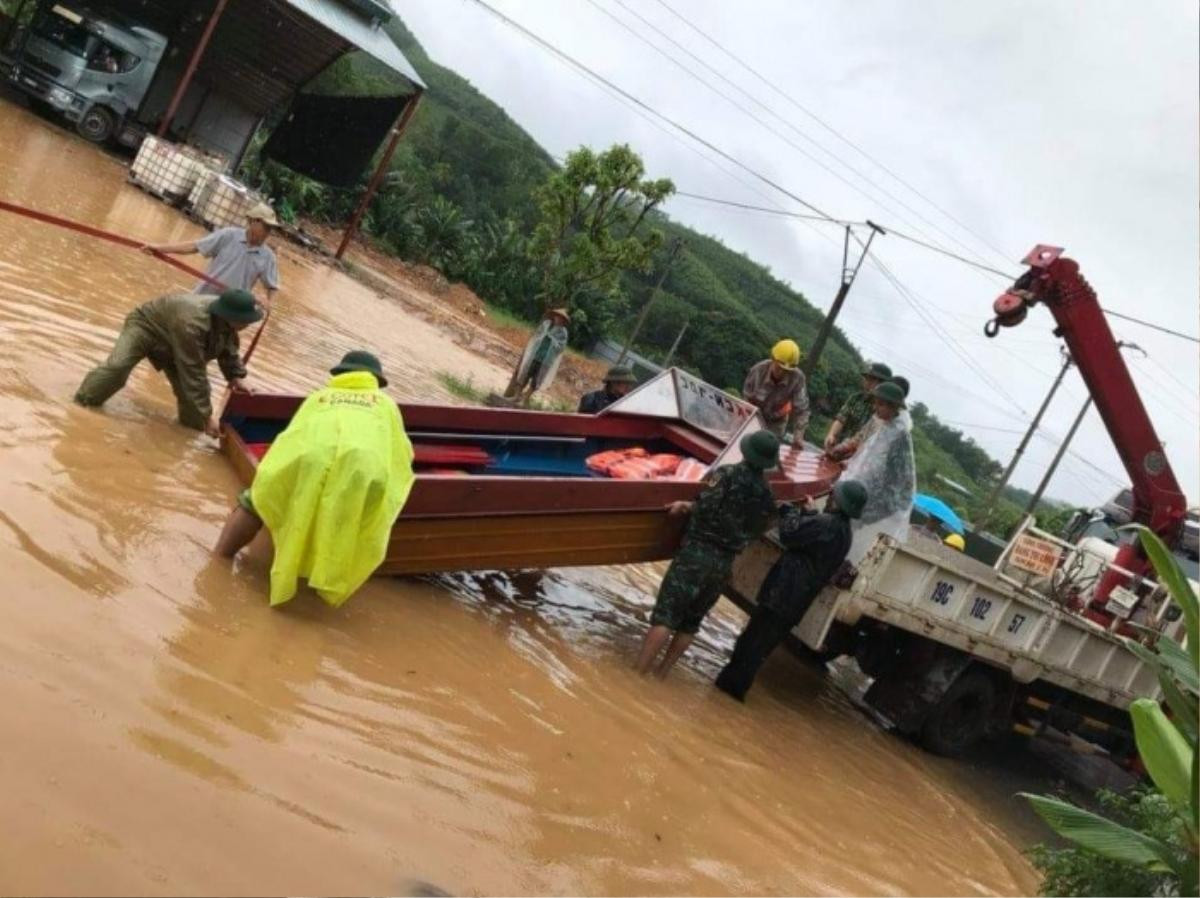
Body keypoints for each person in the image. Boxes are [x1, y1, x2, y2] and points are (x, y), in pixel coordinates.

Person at [214, 351, 416, 607]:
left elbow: (291, 437)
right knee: (352, 517)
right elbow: (403, 453)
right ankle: (321, 584)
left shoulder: (320, 398)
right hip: (362, 470)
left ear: (341, 375)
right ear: (375, 380)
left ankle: (219, 559)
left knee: (257, 500)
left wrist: (274, 476)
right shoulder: (387, 406)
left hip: (310, 459)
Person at [636, 430, 780, 677]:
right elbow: (764, 526)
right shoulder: (767, 495)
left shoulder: (727, 474)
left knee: (666, 616)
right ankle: (661, 675)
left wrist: (685, 505)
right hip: (724, 564)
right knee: (691, 623)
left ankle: (637, 674)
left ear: (746, 452)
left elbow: (706, 507)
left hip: (696, 553)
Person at [715, 479, 868, 701]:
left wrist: (796, 511)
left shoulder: (826, 524)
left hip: (784, 592)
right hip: (795, 600)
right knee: (759, 648)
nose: (831, 497)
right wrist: (809, 514)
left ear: (839, 501)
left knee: (750, 644)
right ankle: (728, 694)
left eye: (835, 495)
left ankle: (728, 691)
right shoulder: (844, 532)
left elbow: (789, 534)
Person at [74, 289, 261, 436]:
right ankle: (81, 404)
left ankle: (189, 431)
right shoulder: (192, 323)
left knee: (194, 412)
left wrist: (236, 377)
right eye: (246, 321)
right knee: (117, 368)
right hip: (146, 327)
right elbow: (194, 373)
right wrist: (208, 416)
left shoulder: (226, 320)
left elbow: (227, 347)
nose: (249, 324)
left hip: (175, 340)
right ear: (230, 316)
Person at [141, 203, 281, 308]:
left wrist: (269, 302)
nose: (268, 232)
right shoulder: (228, 235)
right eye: (266, 227)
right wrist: (159, 248)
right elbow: (194, 247)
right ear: (252, 221)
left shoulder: (268, 257)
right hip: (202, 300)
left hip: (231, 309)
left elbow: (272, 286)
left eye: (271, 228)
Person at [841, 381, 916, 565]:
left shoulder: (898, 433)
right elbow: (867, 456)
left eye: (880, 404)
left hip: (884, 499)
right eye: (876, 403)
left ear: (893, 407)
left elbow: (887, 474)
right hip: (872, 492)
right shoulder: (886, 426)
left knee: (854, 534)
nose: (876, 408)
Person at [742, 339, 810, 443]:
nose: (782, 372)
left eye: (787, 371)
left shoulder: (798, 378)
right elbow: (745, 399)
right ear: (773, 359)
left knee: (769, 447)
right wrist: (747, 422)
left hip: (776, 421)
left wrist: (798, 437)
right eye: (779, 367)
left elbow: (801, 411)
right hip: (753, 414)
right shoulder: (758, 371)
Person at [823, 361, 892, 453]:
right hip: (838, 449)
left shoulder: (885, 410)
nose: (866, 382)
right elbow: (841, 419)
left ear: (882, 384)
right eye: (866, 378)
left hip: (860, 458)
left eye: (871, 379)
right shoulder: (856, 398)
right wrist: (831, 435)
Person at [510, 308, 569, 405]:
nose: (559, 319)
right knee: (524, 374)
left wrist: (551, 340)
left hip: (546, 360)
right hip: (535, 354)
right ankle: (516, 396)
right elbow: (536, 335)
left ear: (563, 320)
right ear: (554, 316)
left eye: (561, 318)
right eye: (557, 316)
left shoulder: (563, 332)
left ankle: (525, 399)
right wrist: (542, 337)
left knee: (536, 380)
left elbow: (561, 347)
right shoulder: (546, 324)